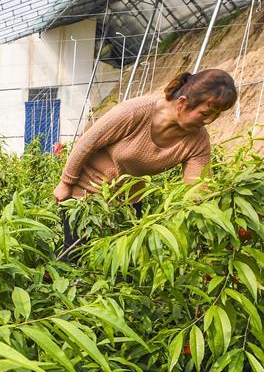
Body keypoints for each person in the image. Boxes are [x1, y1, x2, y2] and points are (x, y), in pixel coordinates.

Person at [53, 69, 237, 258]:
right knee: (76, 257)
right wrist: (66, 183)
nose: (209, 121)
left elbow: (199, 187)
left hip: (129, 202)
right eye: (205, 113)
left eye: (216, 115)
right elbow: (87, 143)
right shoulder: (137, 111)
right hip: (85, 195)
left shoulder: (197, 140)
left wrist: (218, 225)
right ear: (182, 103)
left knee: (123, 265)